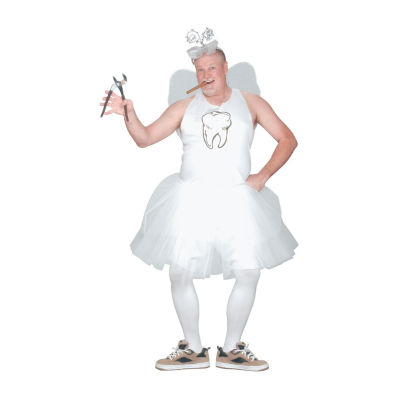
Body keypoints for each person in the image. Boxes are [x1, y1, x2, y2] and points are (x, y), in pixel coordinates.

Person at [99, 30, 298, 372]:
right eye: (200, 70)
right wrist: (128, 113)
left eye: (211, 68)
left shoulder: (251, 103)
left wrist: (262, 176)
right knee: (180, 272)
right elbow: (145, 138)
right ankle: (192, 348)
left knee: (248, 271)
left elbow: (287, 139)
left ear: (225, 68)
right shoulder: (183, 107)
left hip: (238, 200)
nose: (206, 75)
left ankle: (232, 348)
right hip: (191, 200)